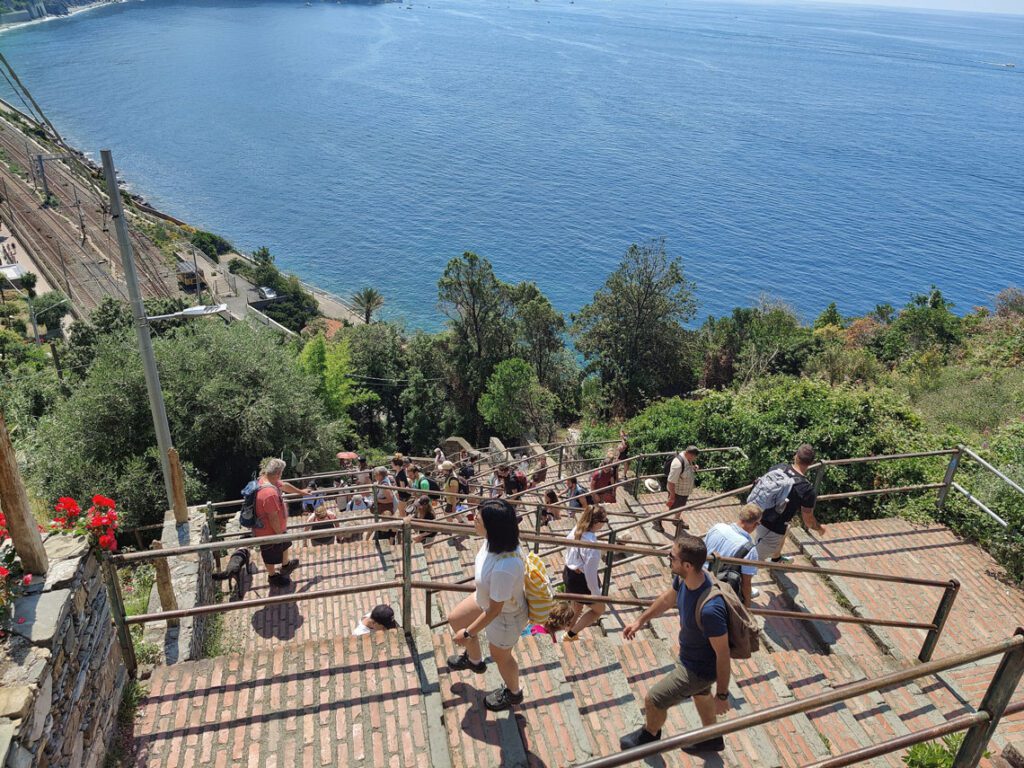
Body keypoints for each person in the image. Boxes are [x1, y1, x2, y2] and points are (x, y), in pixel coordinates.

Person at [620, 534, 733, 755]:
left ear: (687, 565)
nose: (668, 558)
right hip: (692, 657)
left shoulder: (711, 609)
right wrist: (640, 620)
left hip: (698, 669)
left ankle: (650, 736)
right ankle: (712, 738)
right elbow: (668, 599)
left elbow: (723, 654)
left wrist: (722, 695)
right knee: (700, 695)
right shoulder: (685, 579)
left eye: (672, 557)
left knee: (655, 699)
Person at [446, 499, 528, 712]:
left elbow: (495, 610)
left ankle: (514, 693)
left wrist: (468, 633)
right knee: (456, 618)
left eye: (478, 519)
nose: (473, 520)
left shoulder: (505, 566)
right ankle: (474, 660)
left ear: (492, 527)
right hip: (487, 599)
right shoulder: (495, 540)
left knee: (501, 657)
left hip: (505, 616)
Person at [749, 444, 826, 563]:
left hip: (759, 513)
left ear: (795, 456)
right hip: (773, 529)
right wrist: (820, 529)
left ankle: (776, 558)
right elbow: (808, 521)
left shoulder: (779, 468)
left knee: (786, 528)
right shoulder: (806, 489)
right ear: (811, 462)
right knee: (751, 563)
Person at [562, 505, 610, 641]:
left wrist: (574, 563)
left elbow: (567, 544)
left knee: (576, 606)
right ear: (596, 523)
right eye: (604, 521)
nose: (604, 524)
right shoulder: (593, 547)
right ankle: (571, 635)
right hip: (581, 581)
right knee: (599, 610)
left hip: (569, 573)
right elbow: (590, 575)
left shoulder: (577, 529)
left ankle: (567, 632)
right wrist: (596, 594)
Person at [254, 458, 301, 587]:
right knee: (270, 555)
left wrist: (301, 492)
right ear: (277, 474)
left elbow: (284, 485)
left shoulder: (267, 480)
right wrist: (279, 535)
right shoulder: (269, 493)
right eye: (281, 473)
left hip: (278, 529)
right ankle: (273, 576)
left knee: (284, 546)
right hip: (269, 532)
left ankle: (285, 566)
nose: (281, 476)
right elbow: (273, 518)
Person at [704, 503, 763, 606]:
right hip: (718, 589)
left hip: (699, 576)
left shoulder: (717, 527)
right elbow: (746, 583)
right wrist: (747, 605)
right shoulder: (749, 549)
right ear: (755, 524)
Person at [658, 445, 699, 535]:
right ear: (689, 454)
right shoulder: (678, 464)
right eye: (693, 457)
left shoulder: (687, 459)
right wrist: (672, 496)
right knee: (670, 507)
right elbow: (670, 482)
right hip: (677, 492)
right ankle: (657, 520)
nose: (694, 459)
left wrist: (693, 468)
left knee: (681, 506)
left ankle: (676, 520)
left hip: (684, 491)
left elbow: (685, 470)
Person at [370, 466, 399, 541]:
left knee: (384, 528)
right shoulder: (382, 481)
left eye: (375, 474)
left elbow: (390, 499)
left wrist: (378, 500)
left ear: (380, 475)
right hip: (385, 510)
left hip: (387, 510)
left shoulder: (384, 485)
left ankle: (386, 541)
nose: (374, 476)